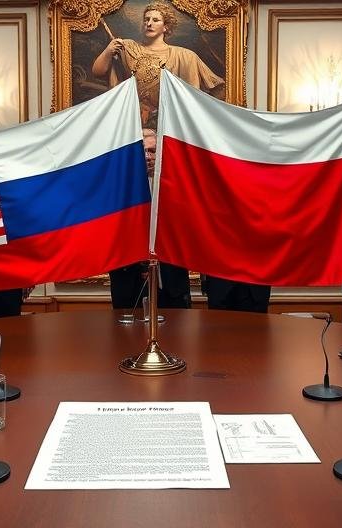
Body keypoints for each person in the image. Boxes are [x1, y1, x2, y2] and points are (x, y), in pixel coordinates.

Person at [92, 1, 224, 129]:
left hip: (170, 123)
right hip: (132, 120)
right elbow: (97, 72)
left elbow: (219, 90)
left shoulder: (185, 56)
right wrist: (108, 51)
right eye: (146, 20)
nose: (149, 23)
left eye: (155, 20)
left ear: (166, 27)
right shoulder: (129, 47)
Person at [110, 128, 191, 309]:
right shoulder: (118, 191)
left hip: (170, 280)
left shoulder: (178, 187)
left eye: (153, 151)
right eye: (143, 152)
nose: (148, 157)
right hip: (129, 281)